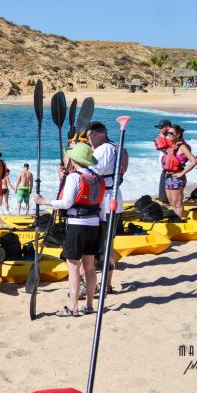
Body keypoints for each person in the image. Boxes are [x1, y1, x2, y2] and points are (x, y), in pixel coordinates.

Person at [35, 143, 103, 317]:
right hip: (94, 225)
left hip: (77, 225)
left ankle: (73, 307)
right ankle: (89, 305)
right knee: (89, 266)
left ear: (74, 159)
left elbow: (66, 203)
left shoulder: (74, 177)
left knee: (73, 266)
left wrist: (44, 201)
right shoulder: (97, 176)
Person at [85, 121, 128, 292]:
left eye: (88, 137)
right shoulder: (117, 147)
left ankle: (103, 283)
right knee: (108, 243)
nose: (88, 141)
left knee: (102, 244)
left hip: (105, 201)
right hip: (114, 197)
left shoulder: (103, 149)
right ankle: (107, 283)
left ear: (94, 133)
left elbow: (92, 172)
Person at [161, 125, 195, 218]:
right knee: (172, 202)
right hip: (168, 176)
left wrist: (182, 173)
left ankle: (180, 221)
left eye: (171, 133)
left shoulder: (182, 146)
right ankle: (176, 220)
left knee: (177, 203)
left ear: (178, 134)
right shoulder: (171, 145)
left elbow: (194, 161)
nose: (169, 135)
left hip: (177, 177)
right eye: (168, 133)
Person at [153, 119, 173, 203]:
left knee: (166, 182)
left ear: (167, 127)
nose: (159, 129)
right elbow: (160, 146)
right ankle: (165, 199)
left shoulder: (172, 137)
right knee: (164, 182)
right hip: (165, 164)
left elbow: (163, 146)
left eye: (161, 127)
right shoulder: (164, 137)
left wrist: (161, 137)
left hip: (170, 165)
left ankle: (166, 200)